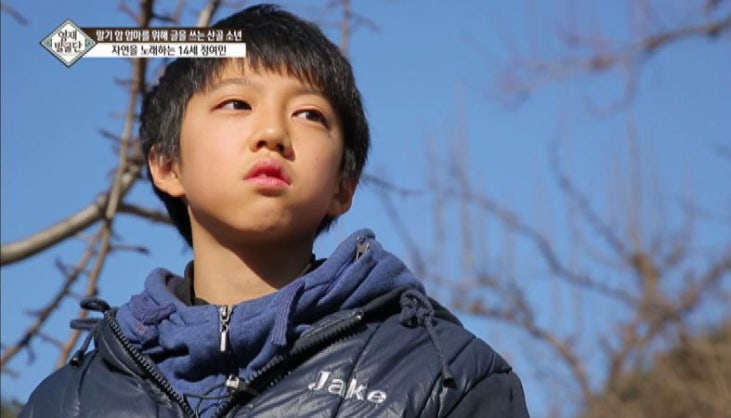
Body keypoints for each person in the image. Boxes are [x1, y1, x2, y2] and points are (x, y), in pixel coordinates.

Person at [21, 4, 529, 417]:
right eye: (237, 104)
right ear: (167, 164)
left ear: (344, 185)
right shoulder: (71, 400)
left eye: (309, 114)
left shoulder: (446, 376)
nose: (273, 133)